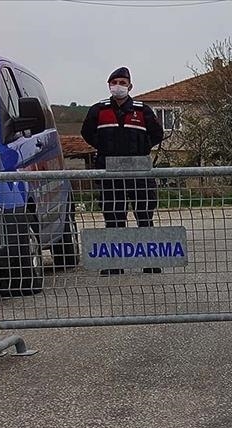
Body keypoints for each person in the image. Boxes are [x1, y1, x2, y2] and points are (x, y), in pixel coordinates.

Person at [81, 67, 165, 275]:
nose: (118, 86)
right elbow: (87, 133)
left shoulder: (142, 110)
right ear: (109, 85)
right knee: (113, 217)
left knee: (144, 216)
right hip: (109, 172)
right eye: (114, 82)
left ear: (130, 86)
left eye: (122, 83)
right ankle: (114, 263)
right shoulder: (98, 110)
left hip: (139, 172)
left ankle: (150, 262)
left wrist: (141, 148)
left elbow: (157, 134)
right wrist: (104, 148)